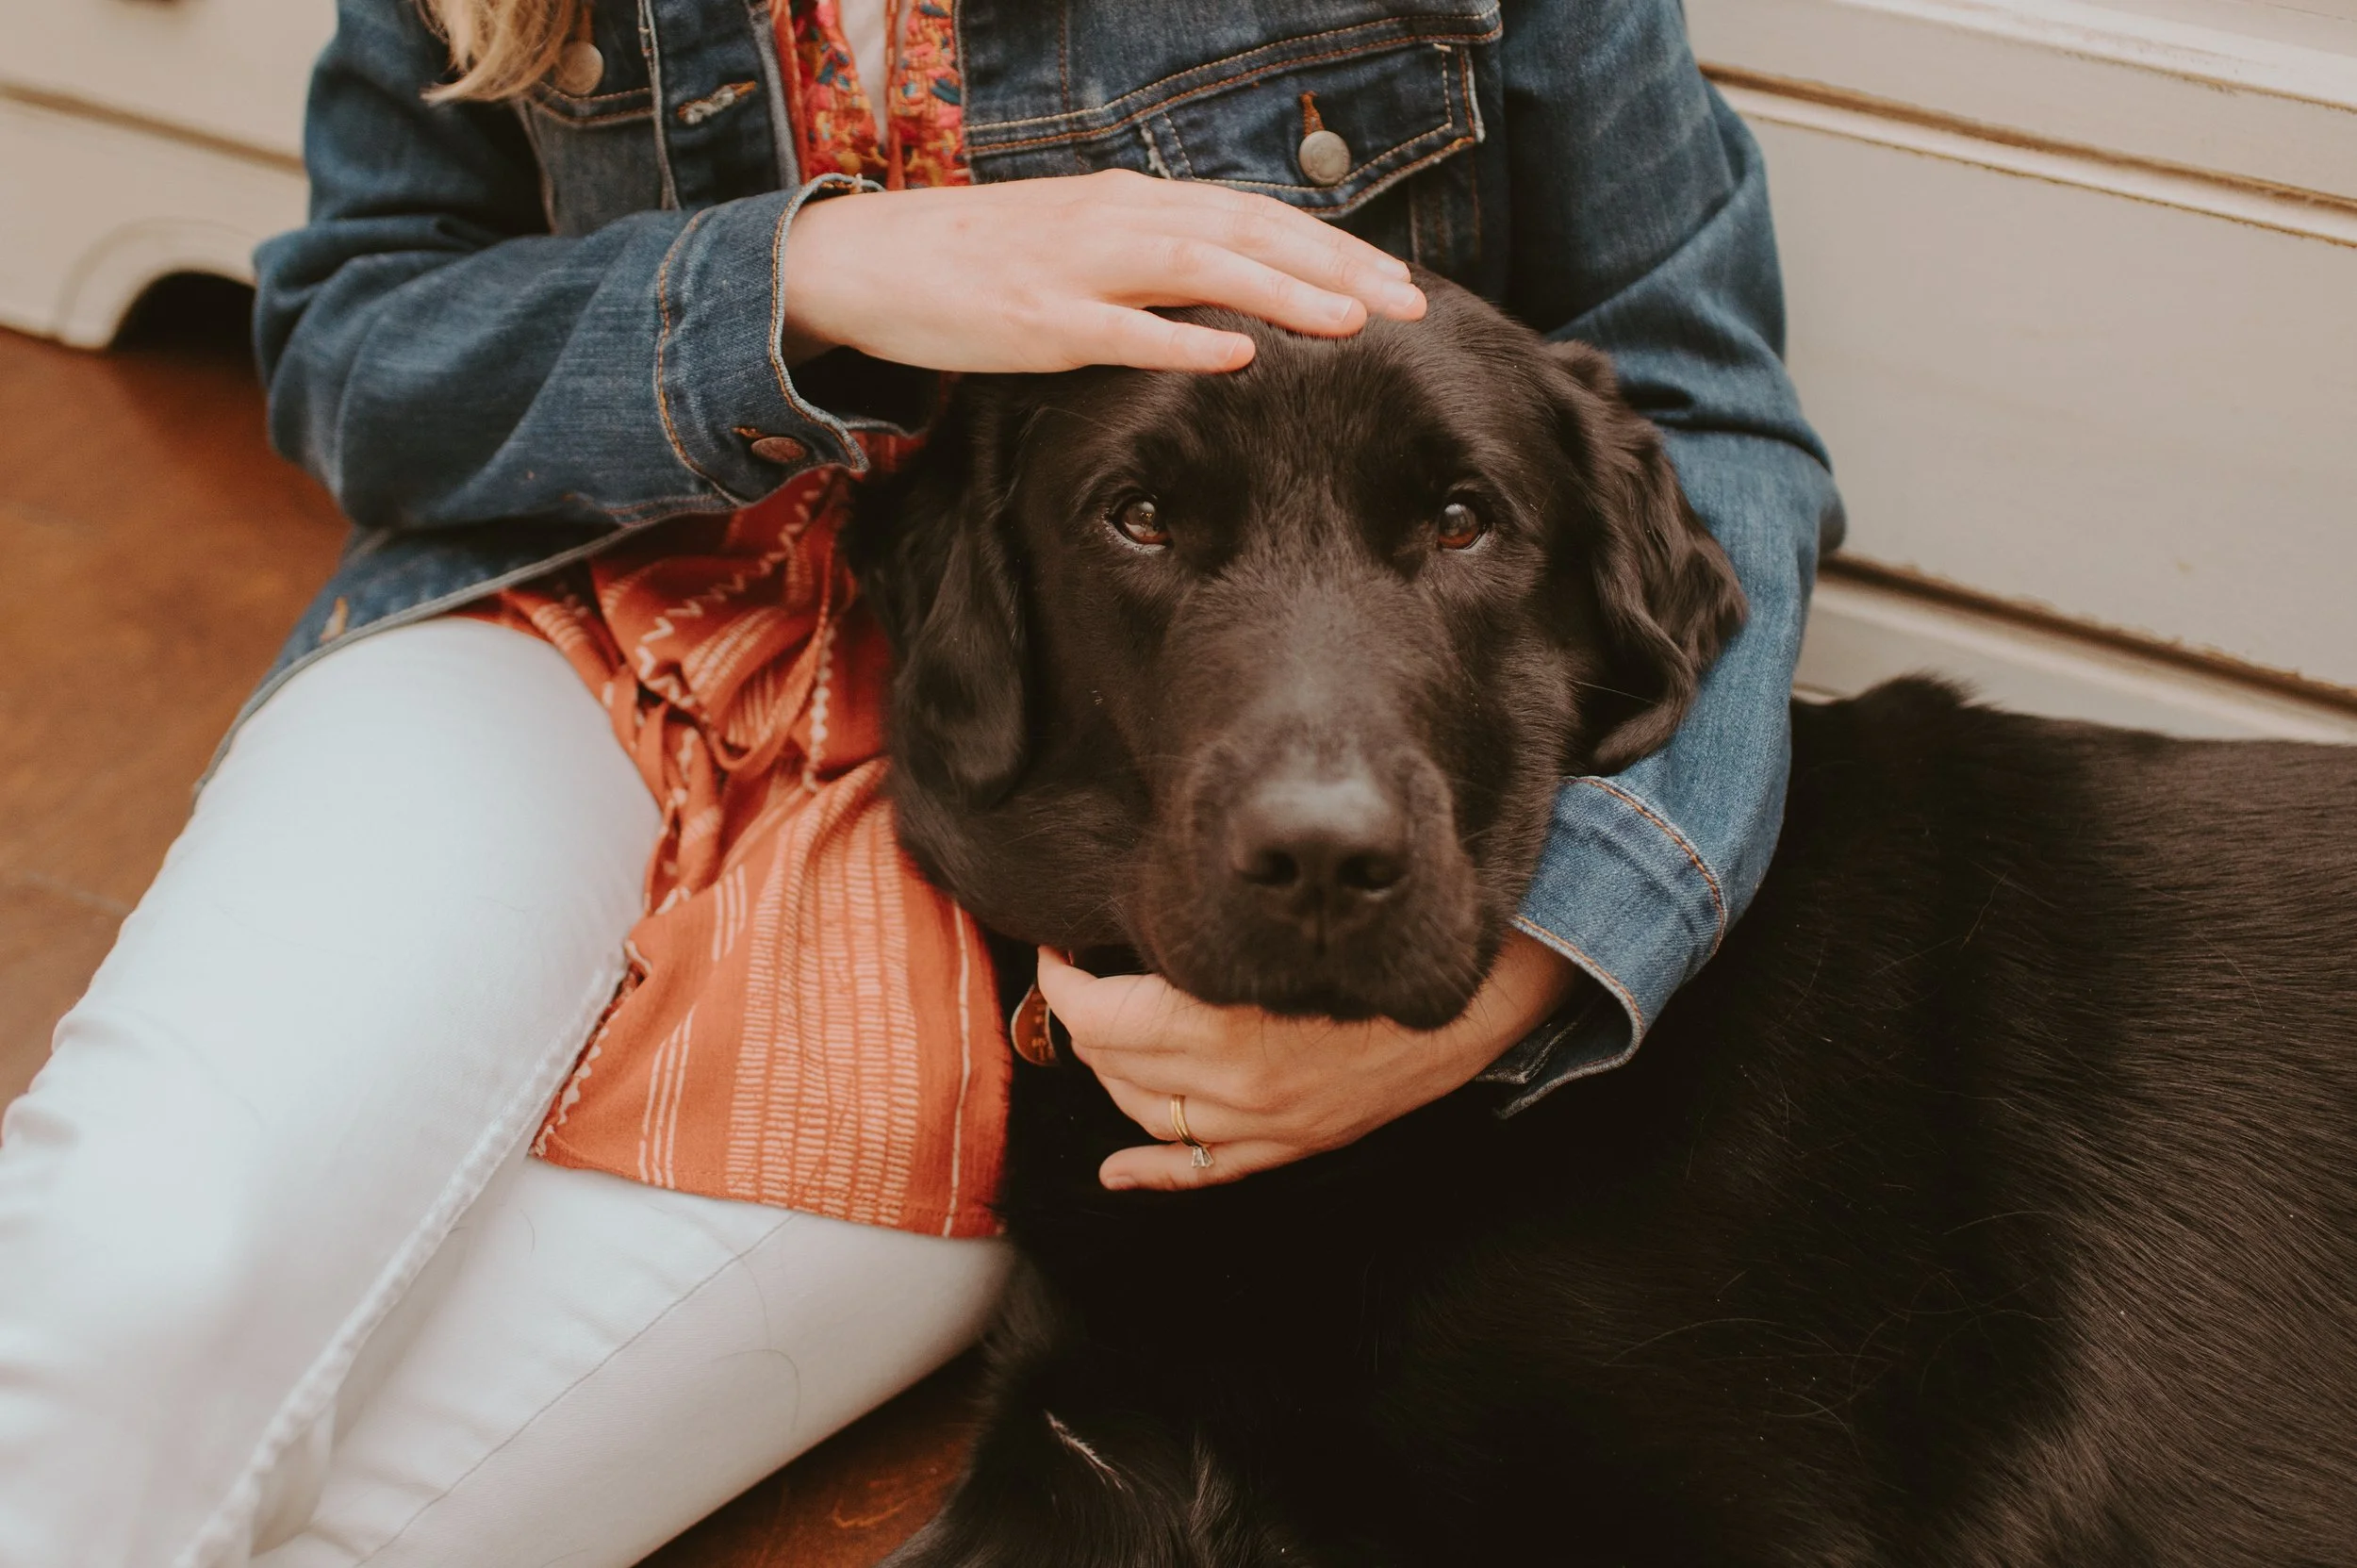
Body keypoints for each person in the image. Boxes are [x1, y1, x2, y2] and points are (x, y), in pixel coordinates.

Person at [0, 1, 1841, 1563]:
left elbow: (1703, 412)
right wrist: (805, 277)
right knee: (136, 1271)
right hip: (559, 616)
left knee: (405, 1526)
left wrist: (1554, 949)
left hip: (1029, 804)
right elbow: (353, 356)